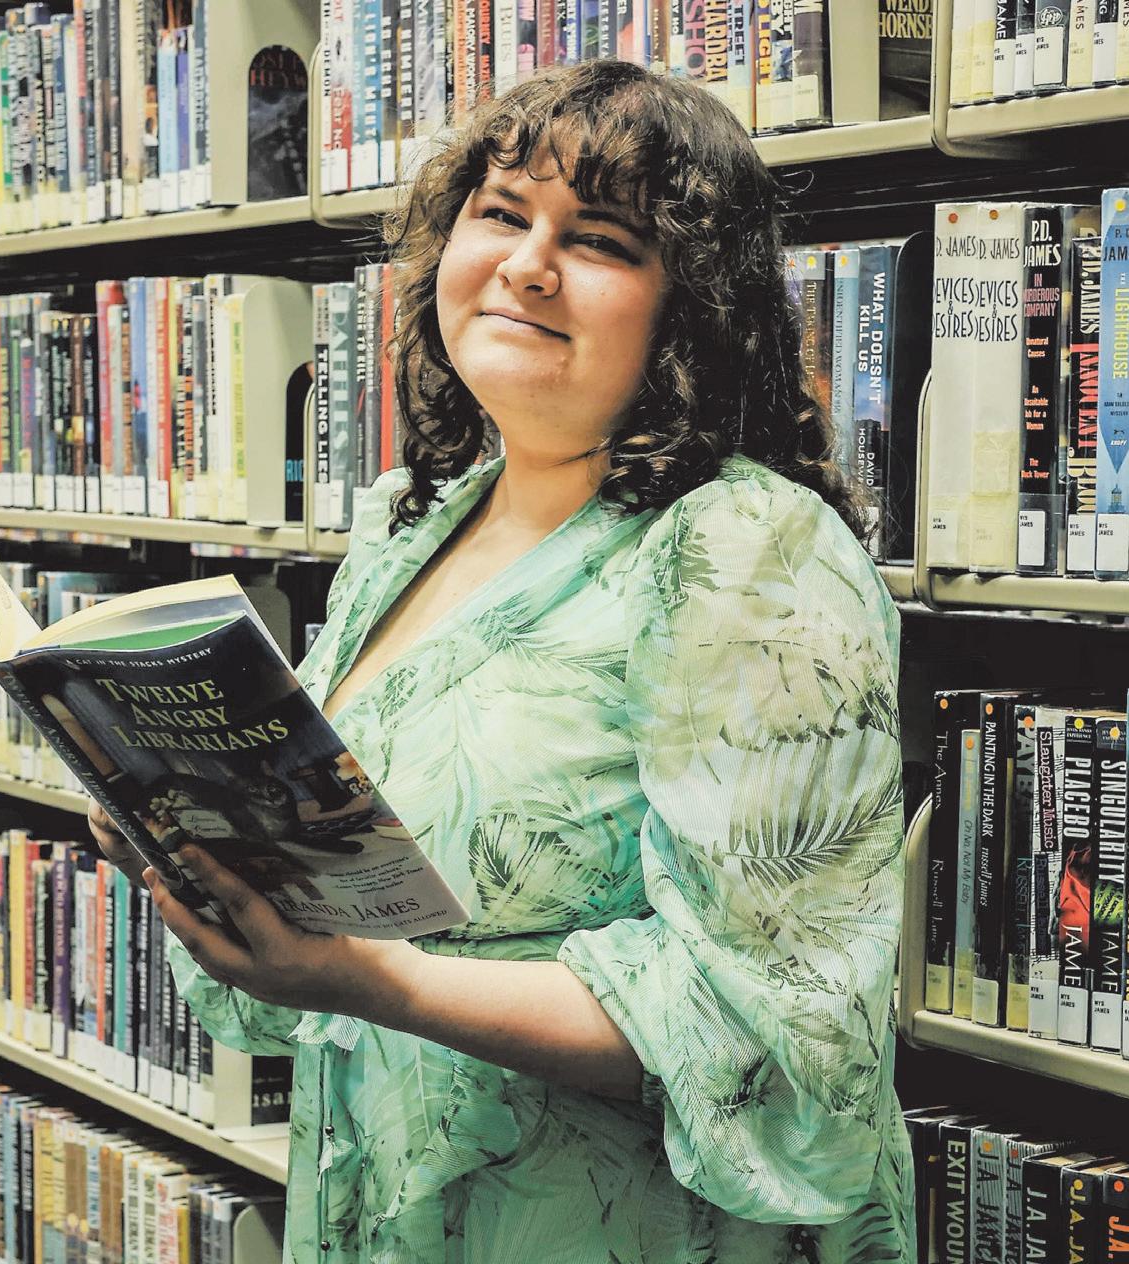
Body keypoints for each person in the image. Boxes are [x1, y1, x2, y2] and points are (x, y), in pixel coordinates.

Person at [89, 57, 913, 1264]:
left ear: (692, 306)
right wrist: (200, 843)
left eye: (601, 240)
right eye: (500, 213)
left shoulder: (746, 548)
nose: (528, 264)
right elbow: (336, 894)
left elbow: (782, 1031)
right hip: (392, 1204)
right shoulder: (410, 524)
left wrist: (388, 986)